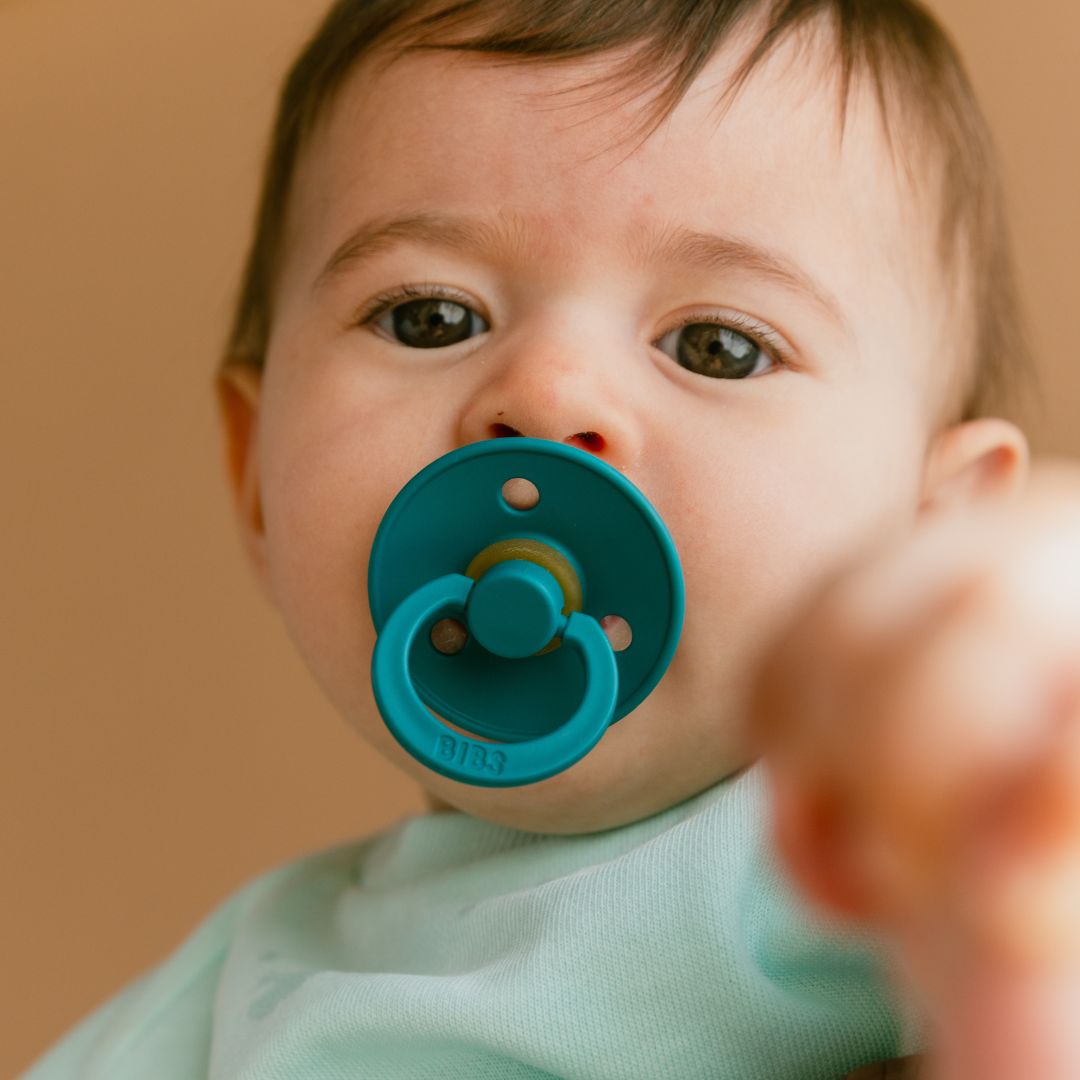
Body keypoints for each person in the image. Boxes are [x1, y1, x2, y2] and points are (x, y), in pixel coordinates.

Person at [21, 0, 1075, 1076]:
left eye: (716, 345)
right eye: (431, 316)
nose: (546, 396)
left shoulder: (882, 856)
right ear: (255, 479)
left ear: (935, 529)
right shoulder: (231, 994)